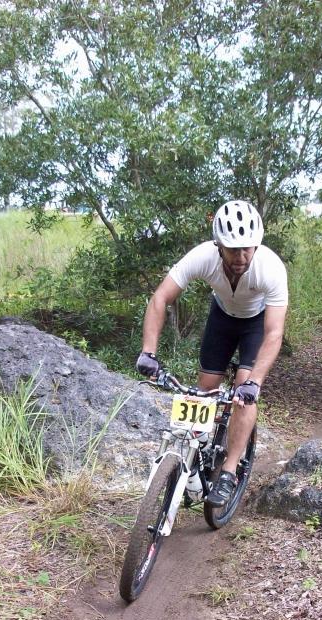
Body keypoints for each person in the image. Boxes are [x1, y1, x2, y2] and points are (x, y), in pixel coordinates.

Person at [136, 199, 288, 507]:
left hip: (256, 325)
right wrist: (148, 352)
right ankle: (199, 450)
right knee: (205, 390)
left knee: (244, 394)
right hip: (222, 318)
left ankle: (229, 471)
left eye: (248, 248)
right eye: (233, 249)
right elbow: (160, 298)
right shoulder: (203, 256)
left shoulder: (270, 267)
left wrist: (255, 381)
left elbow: (274, 332)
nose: (241, 256)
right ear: (219, 246)